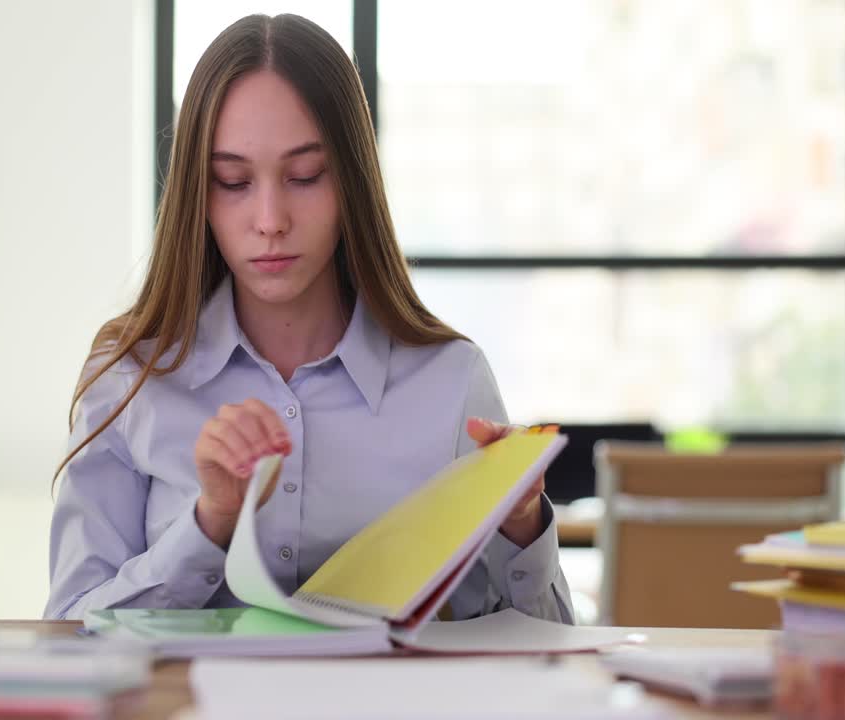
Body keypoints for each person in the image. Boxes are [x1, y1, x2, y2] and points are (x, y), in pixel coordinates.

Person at [44, 13, 573, 624]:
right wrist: (210, 525)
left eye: (304, 176)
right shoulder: (131, 376)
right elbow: (69, 628)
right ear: (197, 191)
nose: (270, 218)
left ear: (351, 181)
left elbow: (551, 648)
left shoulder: (452, 382)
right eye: (233, 180)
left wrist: (522, 525)